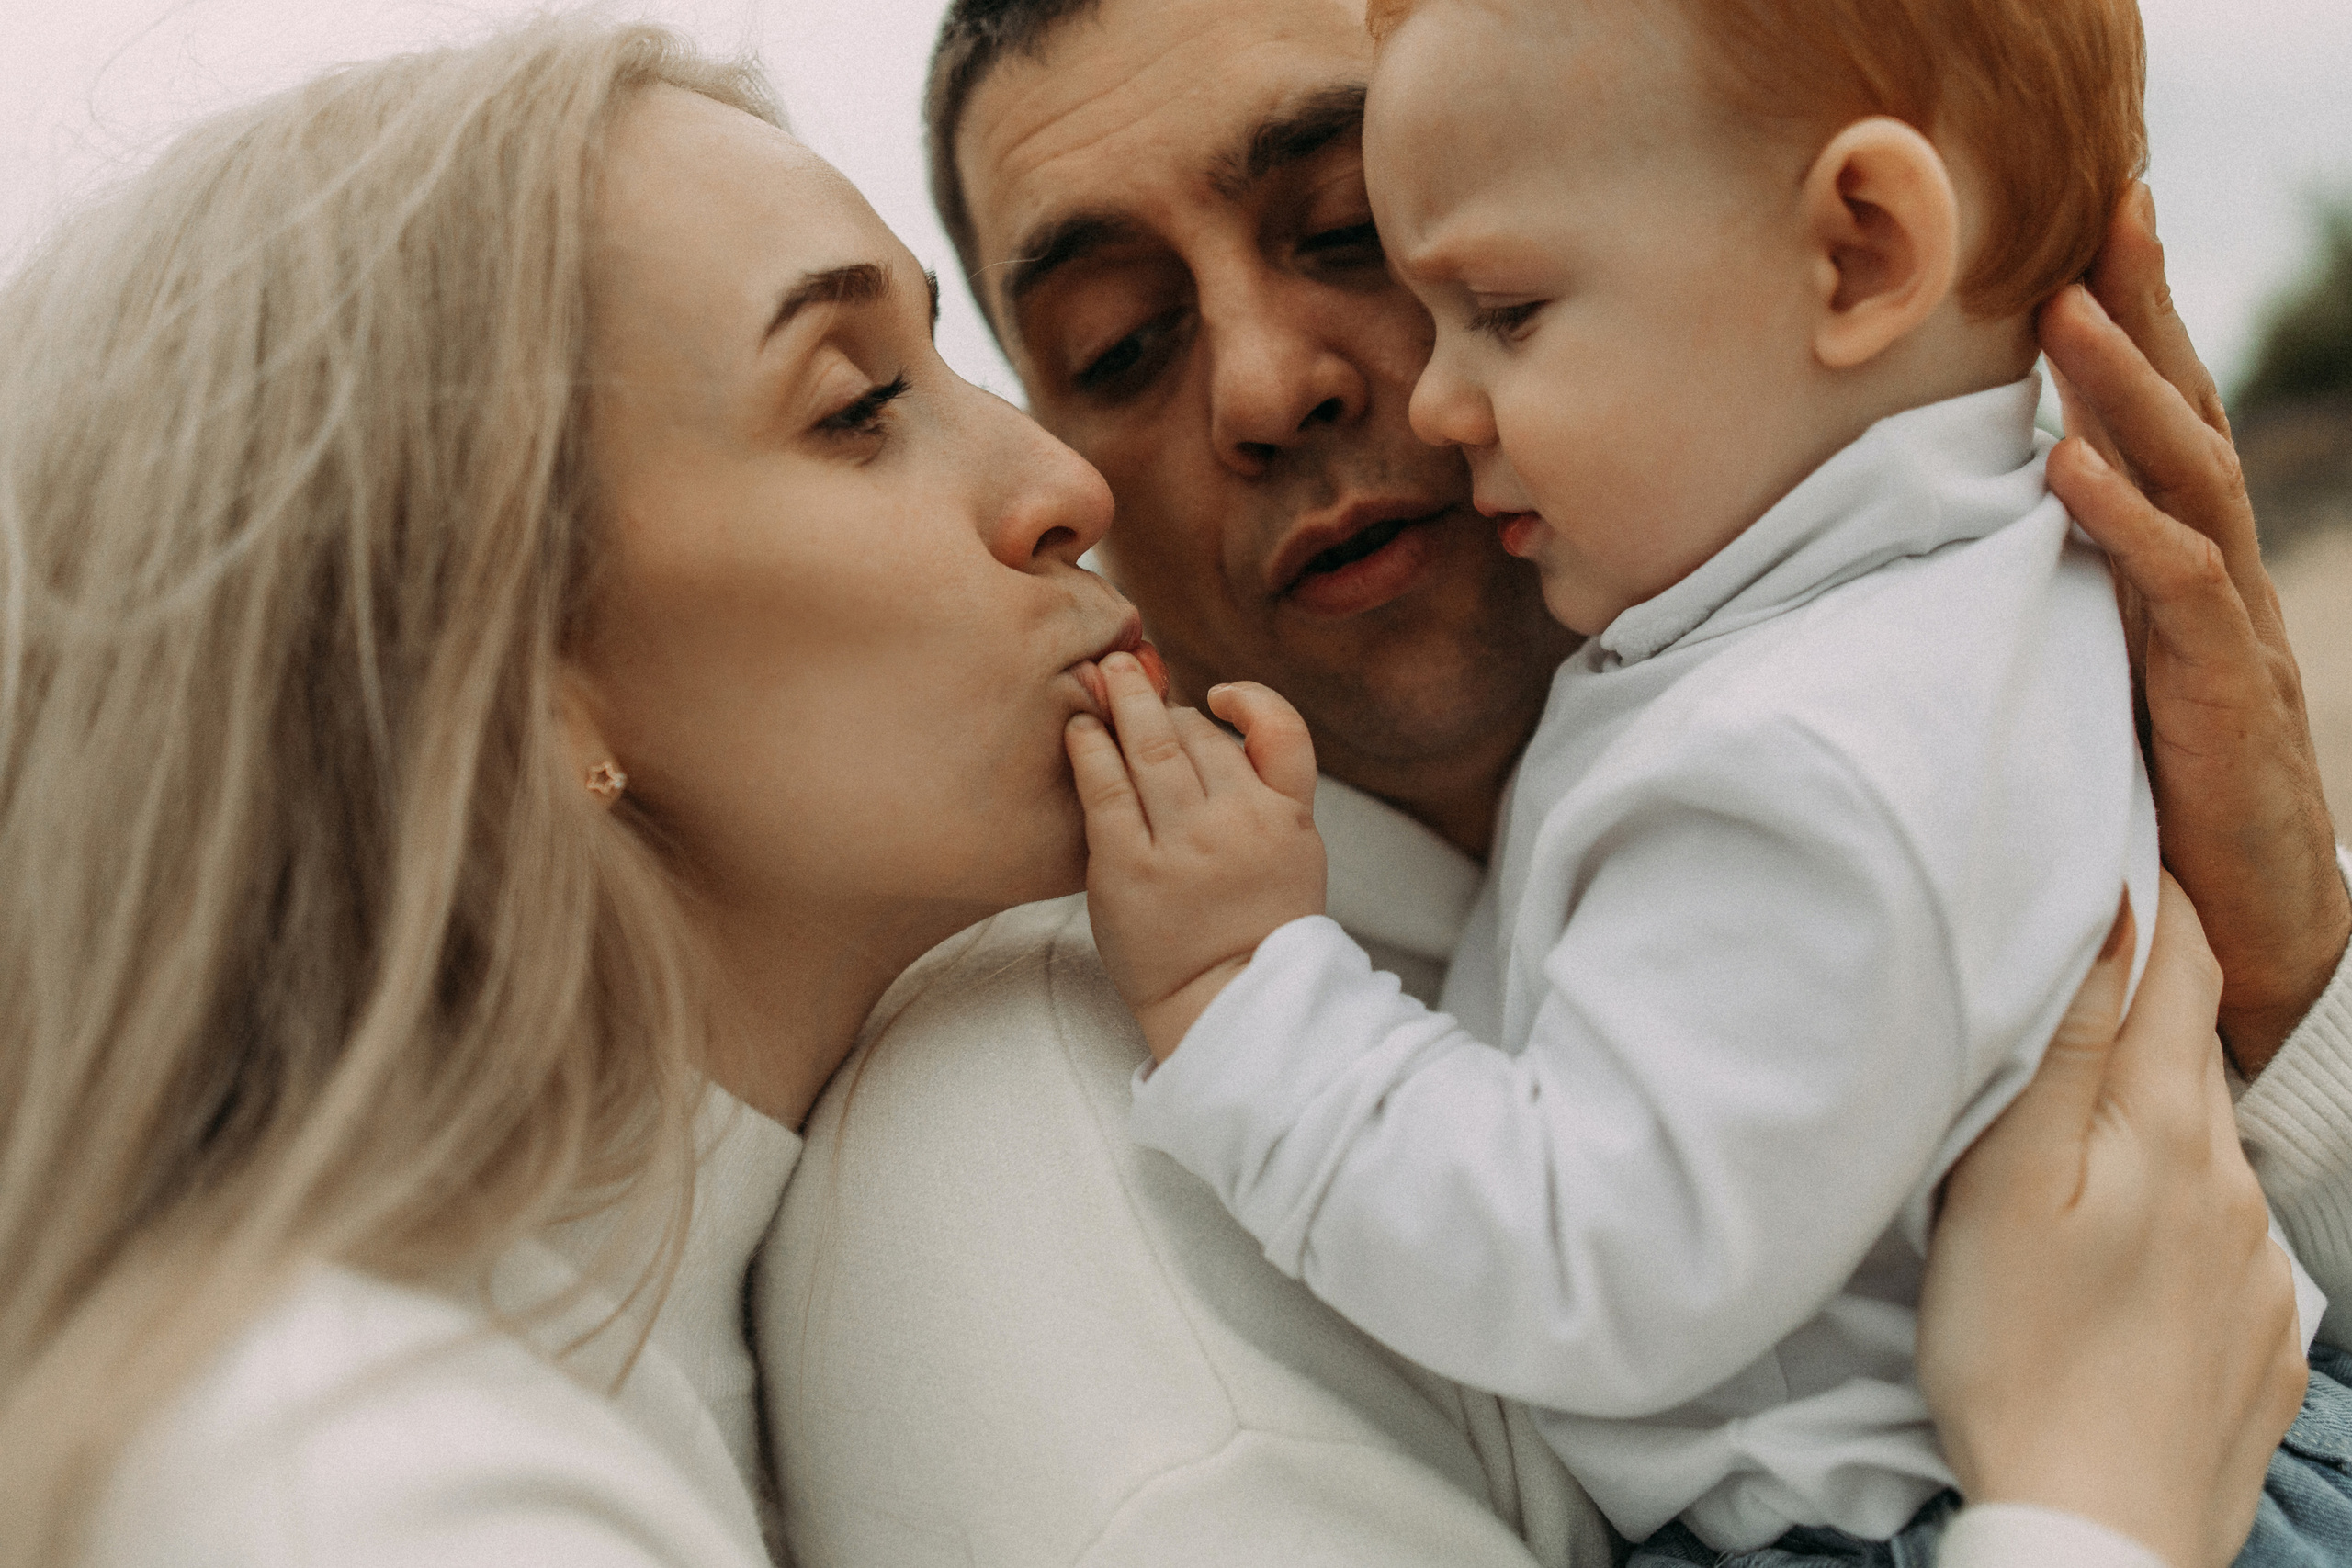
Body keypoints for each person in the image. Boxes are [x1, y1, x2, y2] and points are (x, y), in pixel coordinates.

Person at [755, 1, 2352, 1565]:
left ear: (1854, 249)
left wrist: (2298, 1004)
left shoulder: (1834, 726)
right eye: (1123, 342)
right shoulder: (1038, 1178)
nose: (1264, 386)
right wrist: (2094, 1509)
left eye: (1361, 227)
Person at [0, 20, 1156, 1565]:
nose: (1066, 489)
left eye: (950, 361)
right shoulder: (385, 1497)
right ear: (500, 680)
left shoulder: (679, 1353)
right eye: (857, 407)